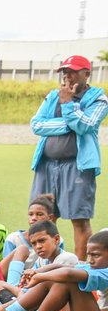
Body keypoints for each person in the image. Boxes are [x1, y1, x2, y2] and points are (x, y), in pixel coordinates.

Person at [28, 55, 107, 260]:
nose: (68, 76)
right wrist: (67, 125)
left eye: (73, 71)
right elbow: (37, 125)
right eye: (65, 72)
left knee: (79, 219)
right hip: (47, 165)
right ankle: (43, 271)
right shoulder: (53, 96)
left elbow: (86, 125)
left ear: (87, 74)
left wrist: (68, 105)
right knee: (41, 218)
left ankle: (81, 272)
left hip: (78, 166)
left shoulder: (98, 98)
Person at [0, 193, 61, 302]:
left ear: (50, 218)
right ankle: (11, 294)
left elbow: (53, 267)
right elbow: (7, 270)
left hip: (30, 282)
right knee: (22, 249)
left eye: (39, 214)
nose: (34, 218)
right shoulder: (14, 238)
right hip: (2, 278)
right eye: (31, 214)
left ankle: (2, 301)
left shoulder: (56, 240)